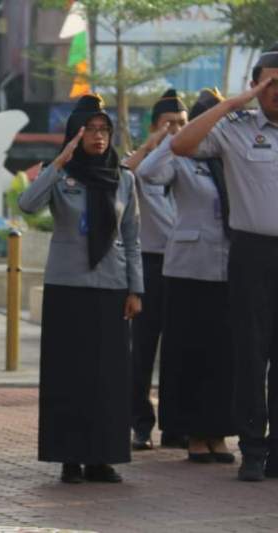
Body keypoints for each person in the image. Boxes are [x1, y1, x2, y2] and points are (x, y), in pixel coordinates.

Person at [19, 94, 143, 484]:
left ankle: (102, 458)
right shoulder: (59, 175)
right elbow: (27, 203)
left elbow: (133, 237)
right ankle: (69, 457)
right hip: (67, 285)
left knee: (108, 377)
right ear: (74, 135)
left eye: (104, 130)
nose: (99, 137)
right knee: (68, 376)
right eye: (89, 130)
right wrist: (58, 162)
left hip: (110, 286)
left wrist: (135, 289)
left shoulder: (124, 178)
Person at [171, 44, 278, 482]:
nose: (277, 92)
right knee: (250, 355)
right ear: (256, 85)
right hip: (252, 252)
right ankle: (252, 447)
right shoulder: (237, 127)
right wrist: (235, 103)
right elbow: (181, 143)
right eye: (270, 83)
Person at [137, 88, 236, 465]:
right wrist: (169, 140)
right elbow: (148, 173)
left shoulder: (231, 156)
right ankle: (193, 434)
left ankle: (219, 433)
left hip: (229, 265)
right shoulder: (184, 154)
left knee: (224, 356)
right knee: (189, 354)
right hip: (189, 267)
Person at [124, 89, 183, 450]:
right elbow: (123, 173)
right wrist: (153, 144)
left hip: (185, 268)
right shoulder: (142, 165)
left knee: (179, 349)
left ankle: (176, 425)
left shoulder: (195, 160)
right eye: (168, 124)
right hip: (150, 263)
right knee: (142, 351)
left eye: (182, 123)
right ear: (153, 127)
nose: (176, 129)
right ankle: (140, 424)